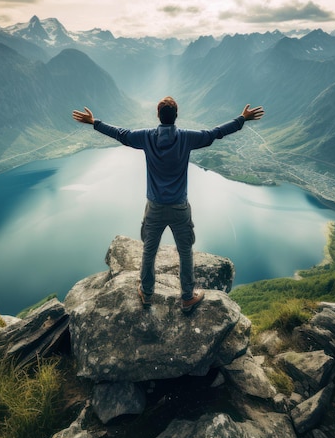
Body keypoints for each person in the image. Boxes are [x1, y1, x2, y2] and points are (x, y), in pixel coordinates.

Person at [72, 97, 264, 313]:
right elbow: (214, 133)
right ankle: (187, 297)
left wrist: (94, 122)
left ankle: (146, 292)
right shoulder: (186, 138)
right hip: (180, 208)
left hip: (154, 207)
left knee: (149, 251)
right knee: (185, 252)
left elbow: (121, 134)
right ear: (176, 116)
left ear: (158, 116)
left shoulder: (146, 137)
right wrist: (242, 119)